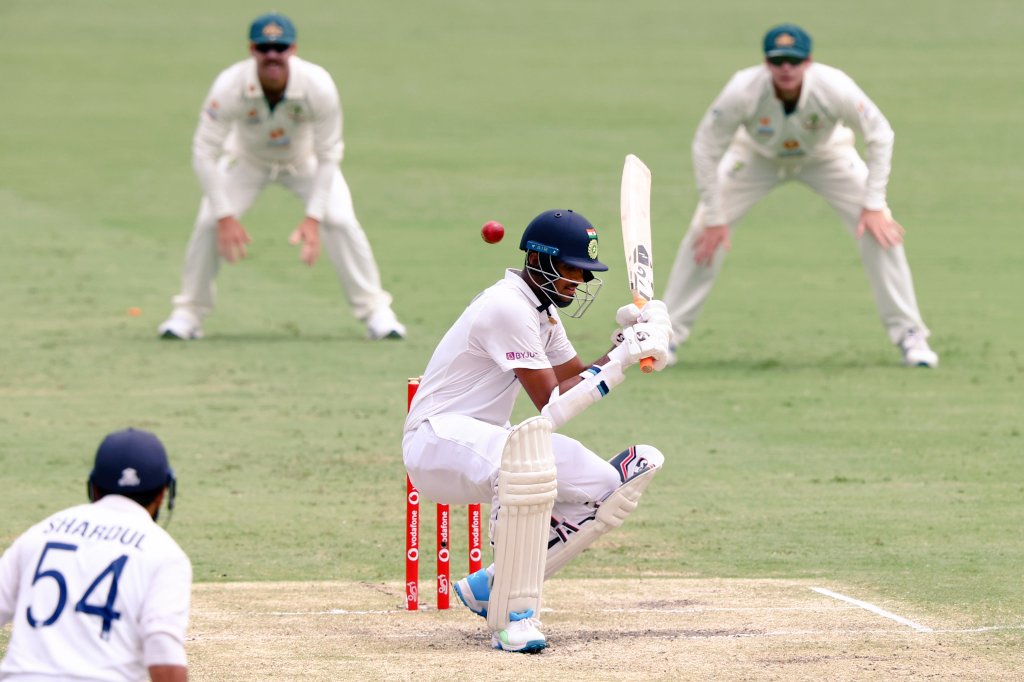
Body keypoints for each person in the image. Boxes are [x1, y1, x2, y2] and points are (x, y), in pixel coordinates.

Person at [403, 209, 673, 653]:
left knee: (606, 488)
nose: (578, 282)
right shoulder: (507, 307)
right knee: (526, 466)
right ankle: (514, 618)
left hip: (491, 440)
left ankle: (491, 584)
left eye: (584, 273)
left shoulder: (541, 312)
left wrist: (626, 339)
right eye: (571, 269)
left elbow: (573, 378)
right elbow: (551, 405)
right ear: (537, 260)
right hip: (437, 440)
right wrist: (624, 358)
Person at [662, 23, 938, 367]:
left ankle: (910, 335)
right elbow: (706, 145)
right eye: (778, 61)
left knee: (882, 232)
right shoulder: (742, 89)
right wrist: (716, 218)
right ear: (767, 63)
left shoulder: (833, 85)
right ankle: (665, 337)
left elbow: (880, 133)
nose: (786, 69)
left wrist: (874, 204)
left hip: (826, 156)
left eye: (794, 60)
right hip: (755, 157)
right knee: (704, 234)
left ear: (808, 61)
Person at [158, 12, 405, 341]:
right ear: (252, 49)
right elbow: (203, 151)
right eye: (264, 48)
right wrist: (225, 216)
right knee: (207, 224)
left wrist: (313, 218)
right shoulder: (229, 86)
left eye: (280, 47)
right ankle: (188, 314)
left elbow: (330, 153)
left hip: (305, 161)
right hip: (246, 160)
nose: (272, 55)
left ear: (293, 49)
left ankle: (376, 312)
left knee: (341, 221)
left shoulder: (318, 85)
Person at [0, 429, 192, 681]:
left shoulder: (40, 533)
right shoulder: (166, 555)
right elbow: (164, 657)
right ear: (164, 492)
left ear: (93, 487)